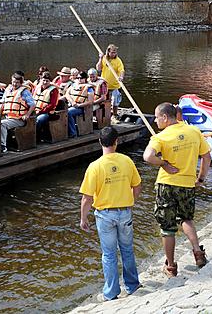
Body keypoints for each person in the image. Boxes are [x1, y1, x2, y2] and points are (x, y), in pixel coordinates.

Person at [143, 102, 210, 278]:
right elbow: (206, 156)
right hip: (187, 183)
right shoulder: (194, 131)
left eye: (157, 117)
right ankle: (197, 252)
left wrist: (164, 163)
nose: (155, 121)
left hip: (166, 184)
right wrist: (201, 178)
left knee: (167, 227)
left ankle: (171, 266)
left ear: (165, 117)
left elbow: (147, 156)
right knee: (186, 218)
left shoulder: (161, 137)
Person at [80, 126, 142, 302]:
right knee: (127, 250)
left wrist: (83, 218)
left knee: (108, 254)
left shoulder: (95, 167)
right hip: (125, 212)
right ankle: (132, 285)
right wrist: (131, 202)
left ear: (100, 142)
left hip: (105, 215)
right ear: (117, 142)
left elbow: (87, 198)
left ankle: (111, 292)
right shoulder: (127, 161)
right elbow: (137, 186)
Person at [0, 73, 36, 152]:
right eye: (13, 82)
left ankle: (3, 146)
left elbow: (32, 104)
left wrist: (27, 114)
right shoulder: (8, 91)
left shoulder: (24, 92)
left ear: (21, 83)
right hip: (8, 117)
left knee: (2, 124)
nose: (14, 84)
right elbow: (2, 104)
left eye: (17, 82)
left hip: (19, 119)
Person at [96, 44, 125, 119]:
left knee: (115, 101)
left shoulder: (118, 60)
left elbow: (121, 70)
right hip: (104, 85)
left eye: (115, 52)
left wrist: (121, 77)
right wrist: (100, 58)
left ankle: (114, 115)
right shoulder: (104, 58)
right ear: (108, 52)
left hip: (115, 86)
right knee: (103, 101)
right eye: (112, 52)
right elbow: (98, 69)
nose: (114, 54)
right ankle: (103, 115)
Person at [65, 71, 95, 138]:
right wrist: (72, 102)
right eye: (78, 78)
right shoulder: (73, 85)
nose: (79, 79)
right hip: (72, 105)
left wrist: (79, 105)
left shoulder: (89, 88)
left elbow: (90, 101)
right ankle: (64, 132)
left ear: (85, 79)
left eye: (81, 78)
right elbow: (67, 94)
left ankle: (73, 133)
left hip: (82, 108)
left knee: (69, 112)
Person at [33, 72, 60, 142]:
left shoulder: (53, 90)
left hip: (48, 113)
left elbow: (52, 105)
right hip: (35, 111)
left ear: (50, 82)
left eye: (47, 81)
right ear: (40, 80)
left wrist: (41, 111)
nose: (45, 82)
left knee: (39, 119)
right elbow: (32, 100)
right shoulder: (37, 88)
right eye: (43, 80)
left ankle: (37, 138)